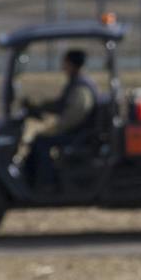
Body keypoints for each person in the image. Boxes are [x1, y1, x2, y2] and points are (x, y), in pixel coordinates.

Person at [23, 48, 98, 190]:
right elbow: (61, 105)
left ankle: (46, 184)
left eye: (65, 62)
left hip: (79, 135)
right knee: (40, 140)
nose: (62, 66)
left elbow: (73, 117)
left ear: (71, 64)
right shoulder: (75, 83)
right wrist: (39, 107)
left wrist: (54, 129)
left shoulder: (81, 88)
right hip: (76, 132)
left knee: (41, 142)